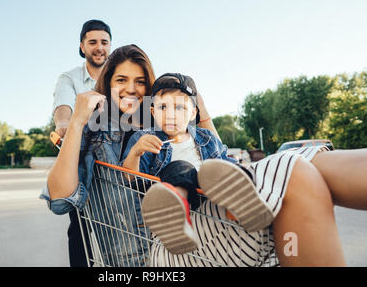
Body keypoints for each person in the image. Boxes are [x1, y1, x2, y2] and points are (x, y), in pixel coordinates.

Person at [122, 73, 367, 266]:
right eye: (163, 108)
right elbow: (128, 180)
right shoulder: (146, 140)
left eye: (179, 108)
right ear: (153, 111)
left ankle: (238, 205)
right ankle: (179, 213)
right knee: (180, 169)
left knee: (235, 166)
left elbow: (225, 167)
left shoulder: (206, 138)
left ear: (194, 113)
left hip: (215, 204)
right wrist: (136, 153)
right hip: (189, 219)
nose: (171, 115)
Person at [41, 45, 220, 266]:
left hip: (187, 250)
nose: (131, 89)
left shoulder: (167, 123)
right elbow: (59, 200)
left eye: (140, 81)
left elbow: (214, 154)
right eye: (121, 80)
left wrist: (200, 108)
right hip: (133, 257)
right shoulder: (97, 132)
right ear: (108, 83)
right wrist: (77, 120)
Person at [51, 19, 111, 267]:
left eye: (104, 42)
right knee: (81, 228)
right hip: (83, 158)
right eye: (93, 42)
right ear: (82, 46)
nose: (99, 47)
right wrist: (64, 124)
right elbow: (63, 106)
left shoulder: (118, 76)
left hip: (116, 160)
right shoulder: (70, 78)